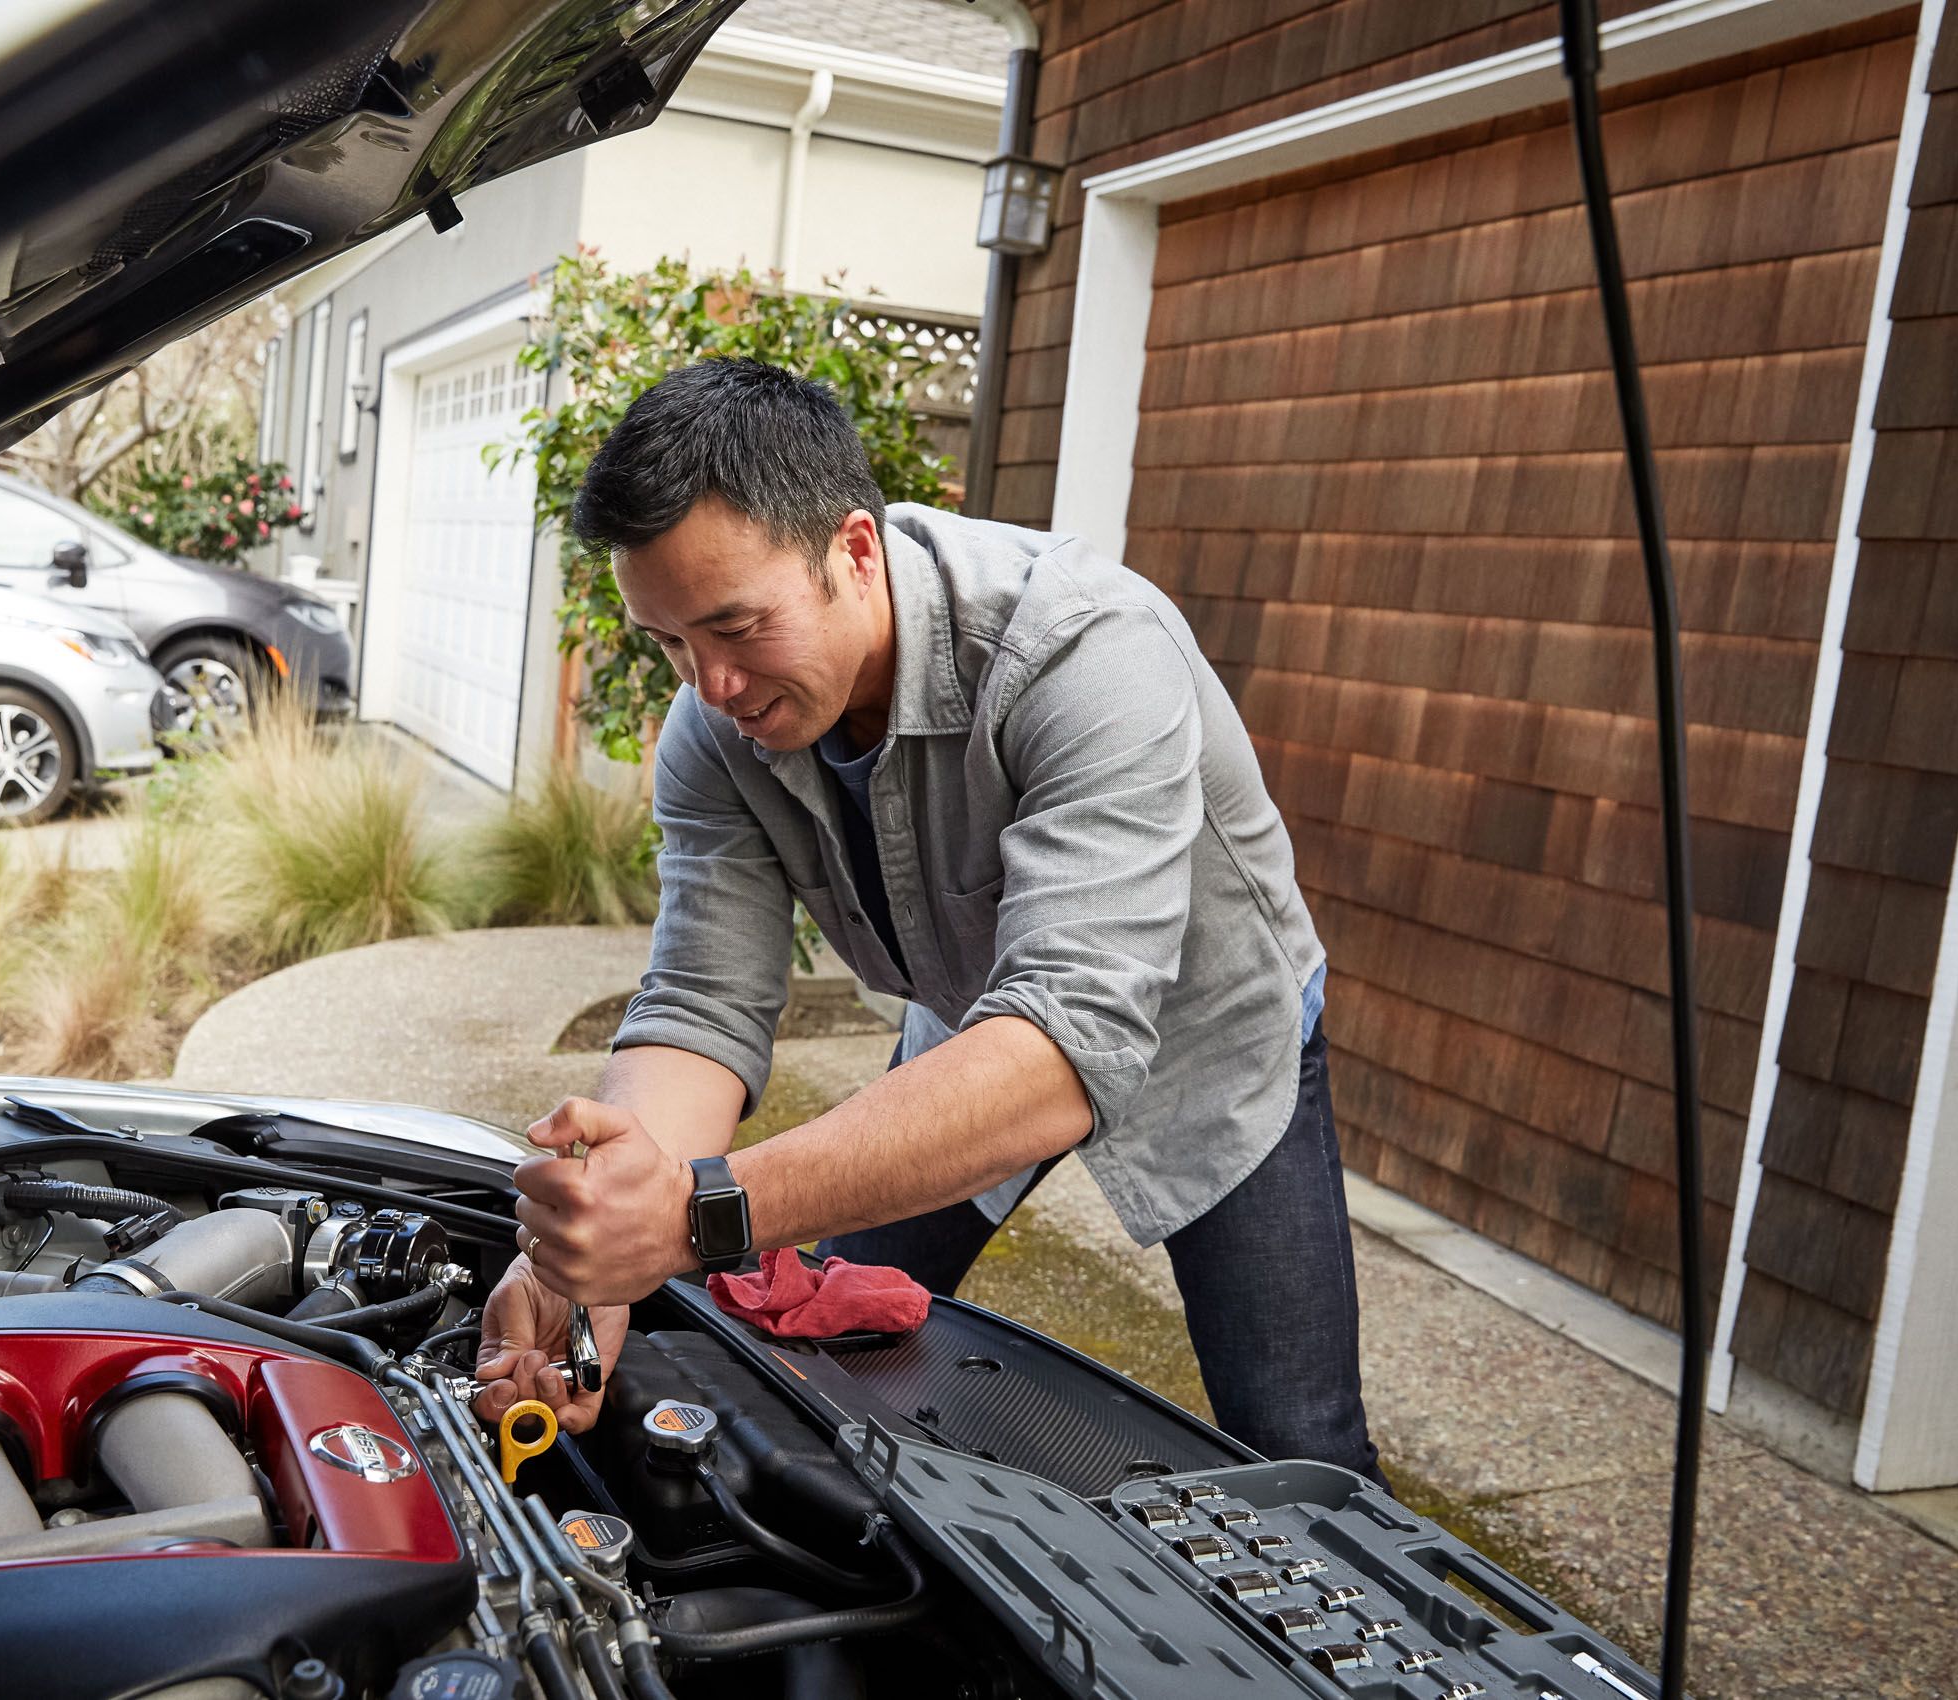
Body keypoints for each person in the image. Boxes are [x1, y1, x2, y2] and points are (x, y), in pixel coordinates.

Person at [472, 357, 1379, 1482]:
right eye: (667, 641)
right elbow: (702, 1001)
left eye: (736, 625)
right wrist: (593, 1242)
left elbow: (1061, 1049)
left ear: (855, 551)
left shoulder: (1084, 648)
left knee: (1298, 1442)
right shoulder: (717, 725)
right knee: (829, 1331)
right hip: (977, 1016)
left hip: (1211, 1033)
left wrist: (696, 1214)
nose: (709, 686)